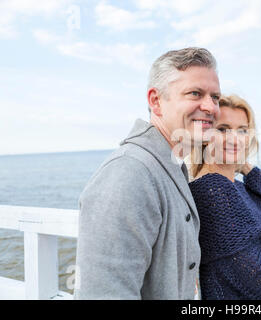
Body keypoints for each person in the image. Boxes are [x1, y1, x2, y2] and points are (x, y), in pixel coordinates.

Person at [74, 47, 221, 299]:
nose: (210, 107)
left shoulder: (170, 165)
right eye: (195, 93)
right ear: (156, 101)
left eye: (215, 97)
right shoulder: (129, 171)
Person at [188, 95, 261, 300]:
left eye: (243, 130)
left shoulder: (236, 186)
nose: (235, 139)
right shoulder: (213, 190)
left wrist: (248, 168)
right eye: (223, 129)